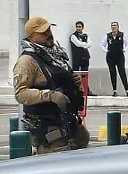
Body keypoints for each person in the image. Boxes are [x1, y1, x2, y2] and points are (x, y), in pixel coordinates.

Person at [14, 16, 88, 154]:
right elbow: (20, 93)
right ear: (31, 37)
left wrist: (75, 82)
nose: (49, 34)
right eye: (43, 32)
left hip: (70, 125)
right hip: (49, 131)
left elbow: (63, 79)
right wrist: (50, 95)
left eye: (49, 30)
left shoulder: (56, 55)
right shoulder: (27, 61)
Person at [103, 22, 127, 96]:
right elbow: (102, 44)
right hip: (110, 57)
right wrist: (106, 51)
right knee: (112, 73)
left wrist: (124, 49)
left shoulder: (122, 35)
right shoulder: (108, 36)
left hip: (119, 56)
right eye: (112, 26)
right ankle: (114, 91)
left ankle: (127, 90)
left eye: (115, 26)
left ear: (118, 27)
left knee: (122, 72)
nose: (114, 28)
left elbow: (127, 43)